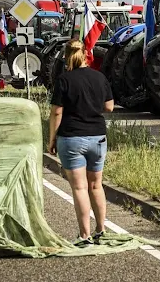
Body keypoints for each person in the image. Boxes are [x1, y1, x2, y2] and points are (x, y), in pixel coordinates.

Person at [48, 40, 114, 247]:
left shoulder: (64, 80)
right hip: (98, 137)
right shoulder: (99, 77)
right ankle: (101, 230)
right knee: (96, 185)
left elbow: (57, 111)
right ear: (86, 55)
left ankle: (84, 236)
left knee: (79, 188)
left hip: (71, 138)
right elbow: (109, 107)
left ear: (67, 56)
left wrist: (51, 139)